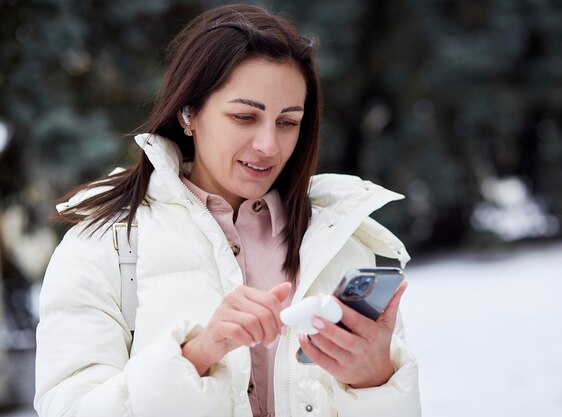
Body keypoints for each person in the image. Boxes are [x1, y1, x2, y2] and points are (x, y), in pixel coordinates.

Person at [34, 4, 421, 417]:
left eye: (288, 122)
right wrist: (196, 356)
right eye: (244, 116)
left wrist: (375, 382)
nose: (269, 146)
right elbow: (68, 408)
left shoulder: (349, 243)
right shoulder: (106, 244)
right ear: (188, 113)